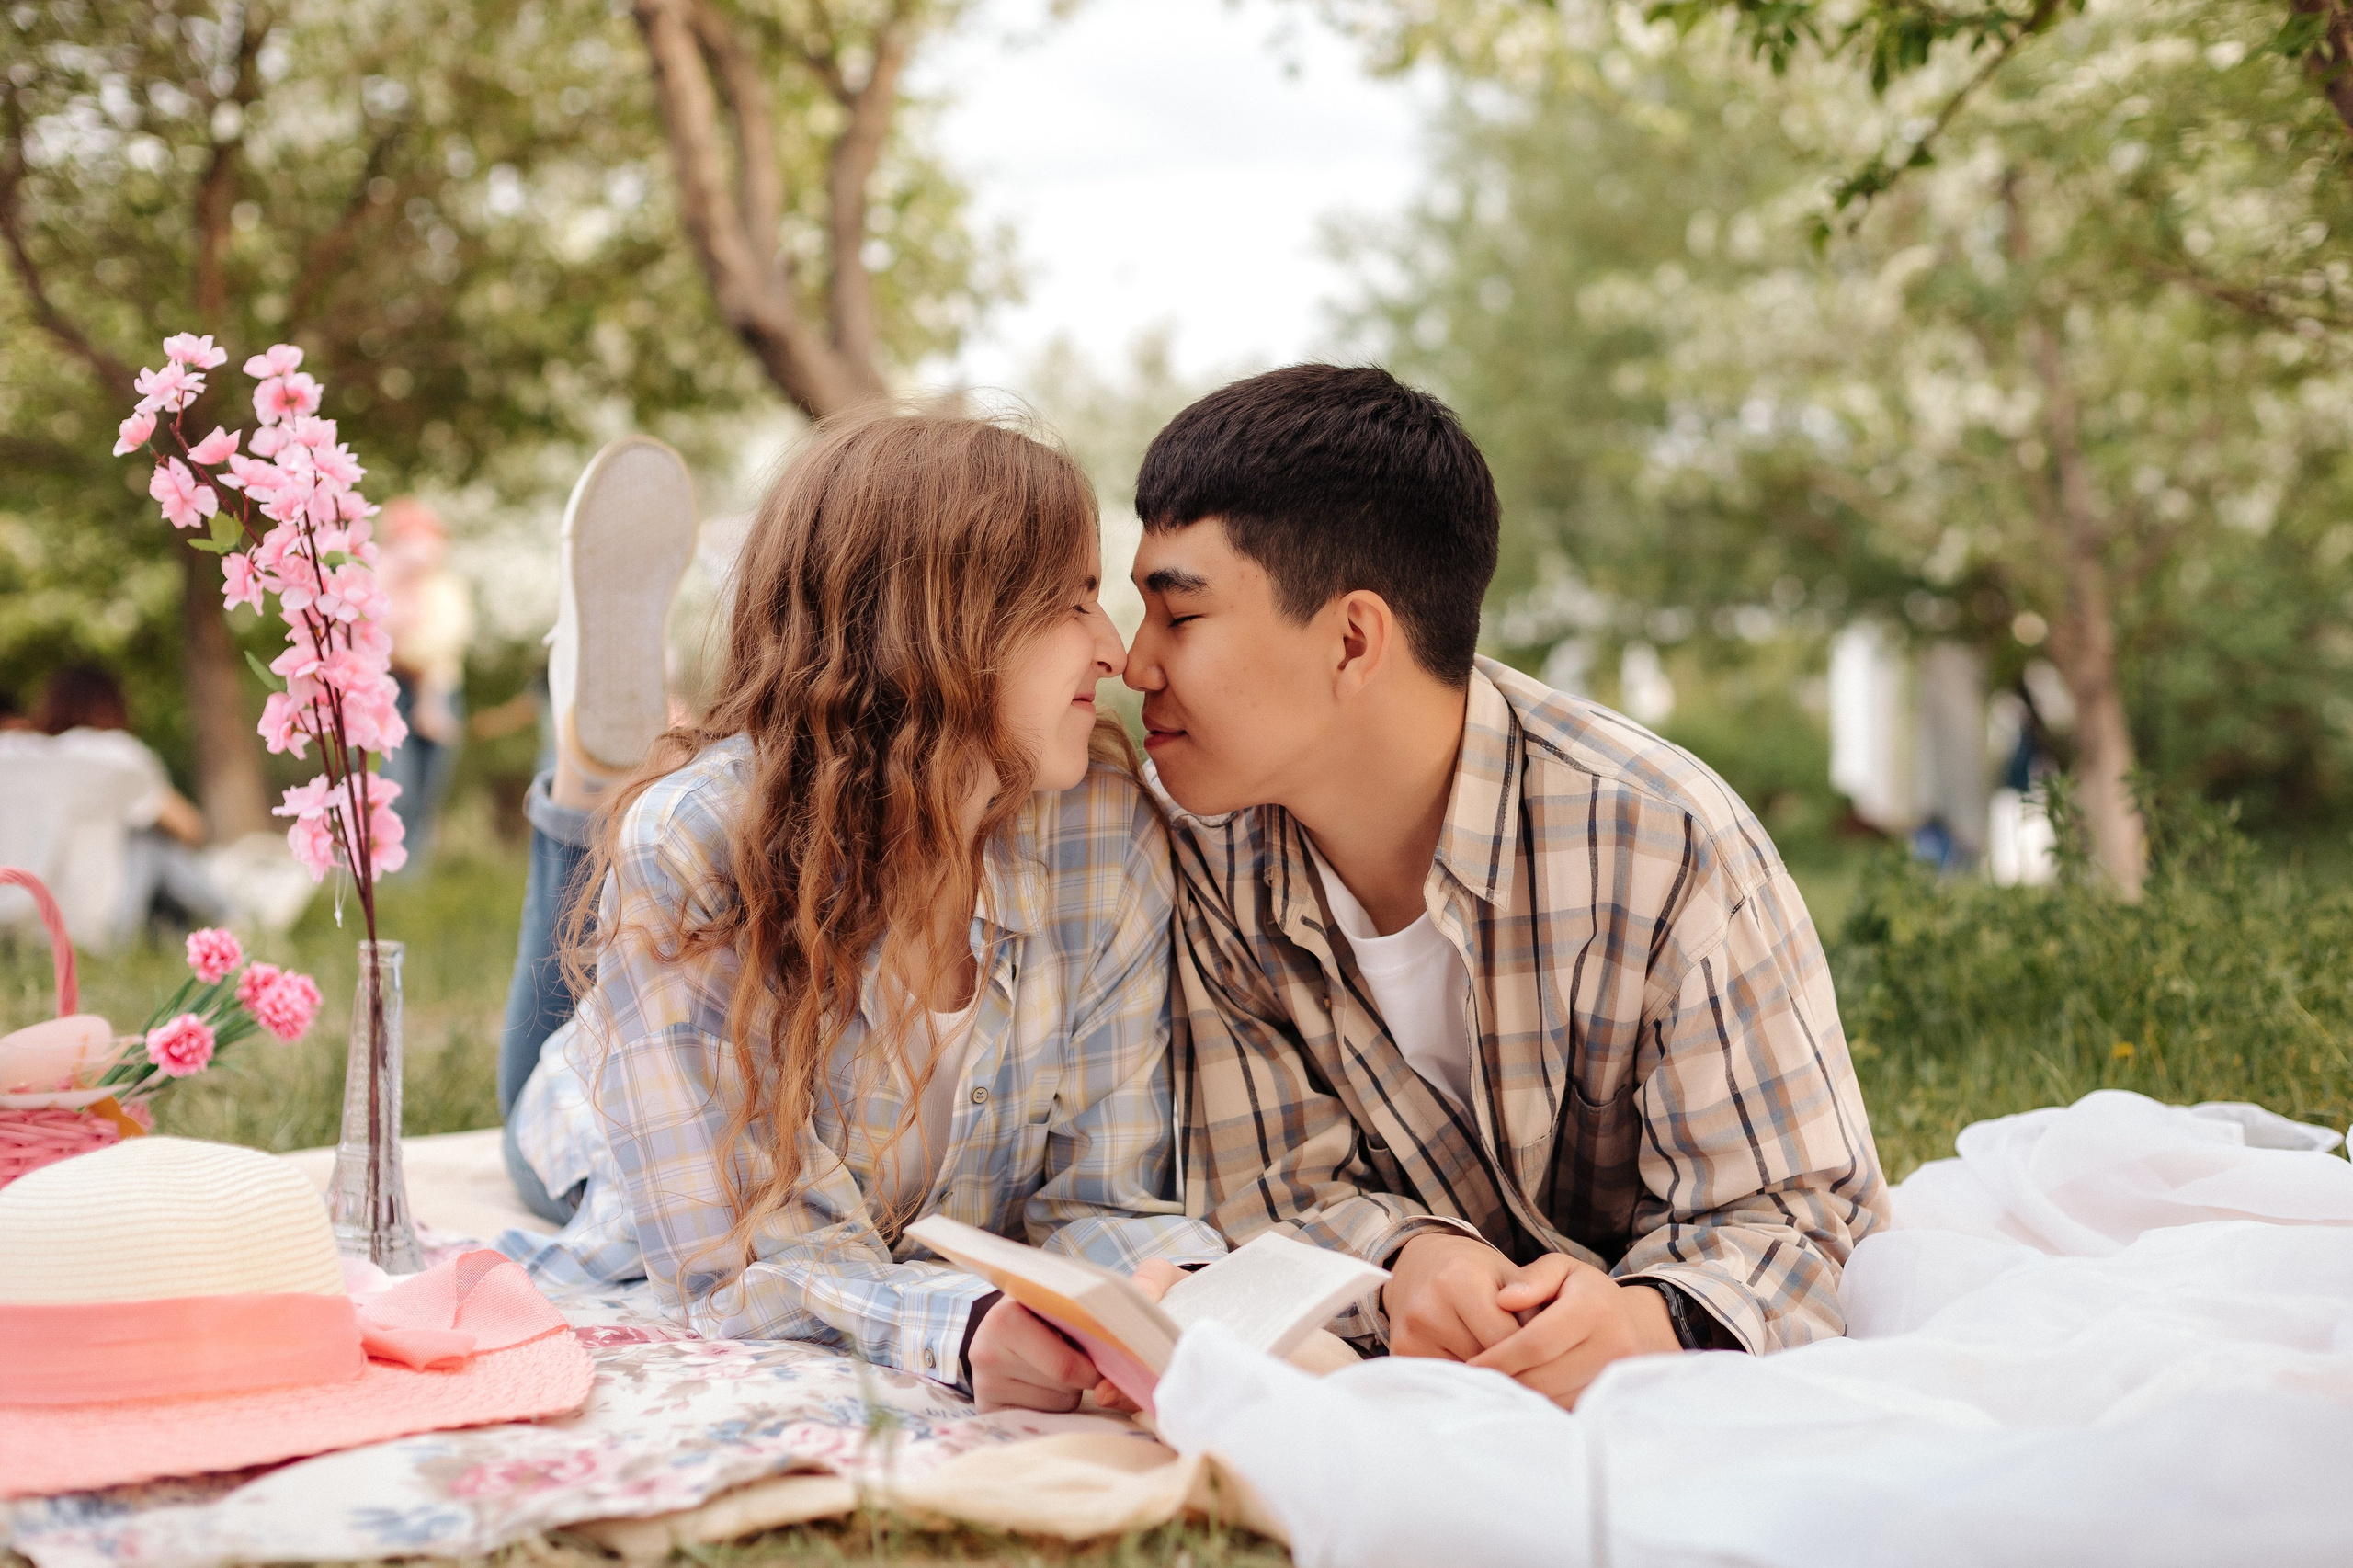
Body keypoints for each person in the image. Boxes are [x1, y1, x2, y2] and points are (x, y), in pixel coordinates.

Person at [1122, 365, 1887, 1409]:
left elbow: (1800, 1216)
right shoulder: (1201, 855)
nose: (1133, 663)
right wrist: (1409, 1264)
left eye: (1178, 615)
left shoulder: (1657, 841)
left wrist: (1646, 1324)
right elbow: (1268, 1188)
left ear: (1352, 640)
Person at [496, 415, 1224, 1413]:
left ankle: (594, 780)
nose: (1116, 651)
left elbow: (1105, 1195)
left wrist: (1169, 1294)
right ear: (938, 628)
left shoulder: (1101, 828)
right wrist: (963, 1324)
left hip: (704, 998)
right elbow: (736, 1261)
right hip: (603, 1131)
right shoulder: (694, 846)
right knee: (545, 1093)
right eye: (1072, 602)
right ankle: (582, 786)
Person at [20, 665, 229, 936]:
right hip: (99, 926)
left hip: (25, 919)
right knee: (151, 840)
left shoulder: (20, 757)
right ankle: (234, 915)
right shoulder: (117, 754)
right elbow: (191, 829)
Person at [378, 498, 474, 873]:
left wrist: (403, 652)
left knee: (427, 792)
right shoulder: (379, 582)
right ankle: (385, 873)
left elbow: (443, 640)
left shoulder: (446, 590)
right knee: (392, 787)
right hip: (387, 696)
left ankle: (412, 878)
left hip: (439, 693)